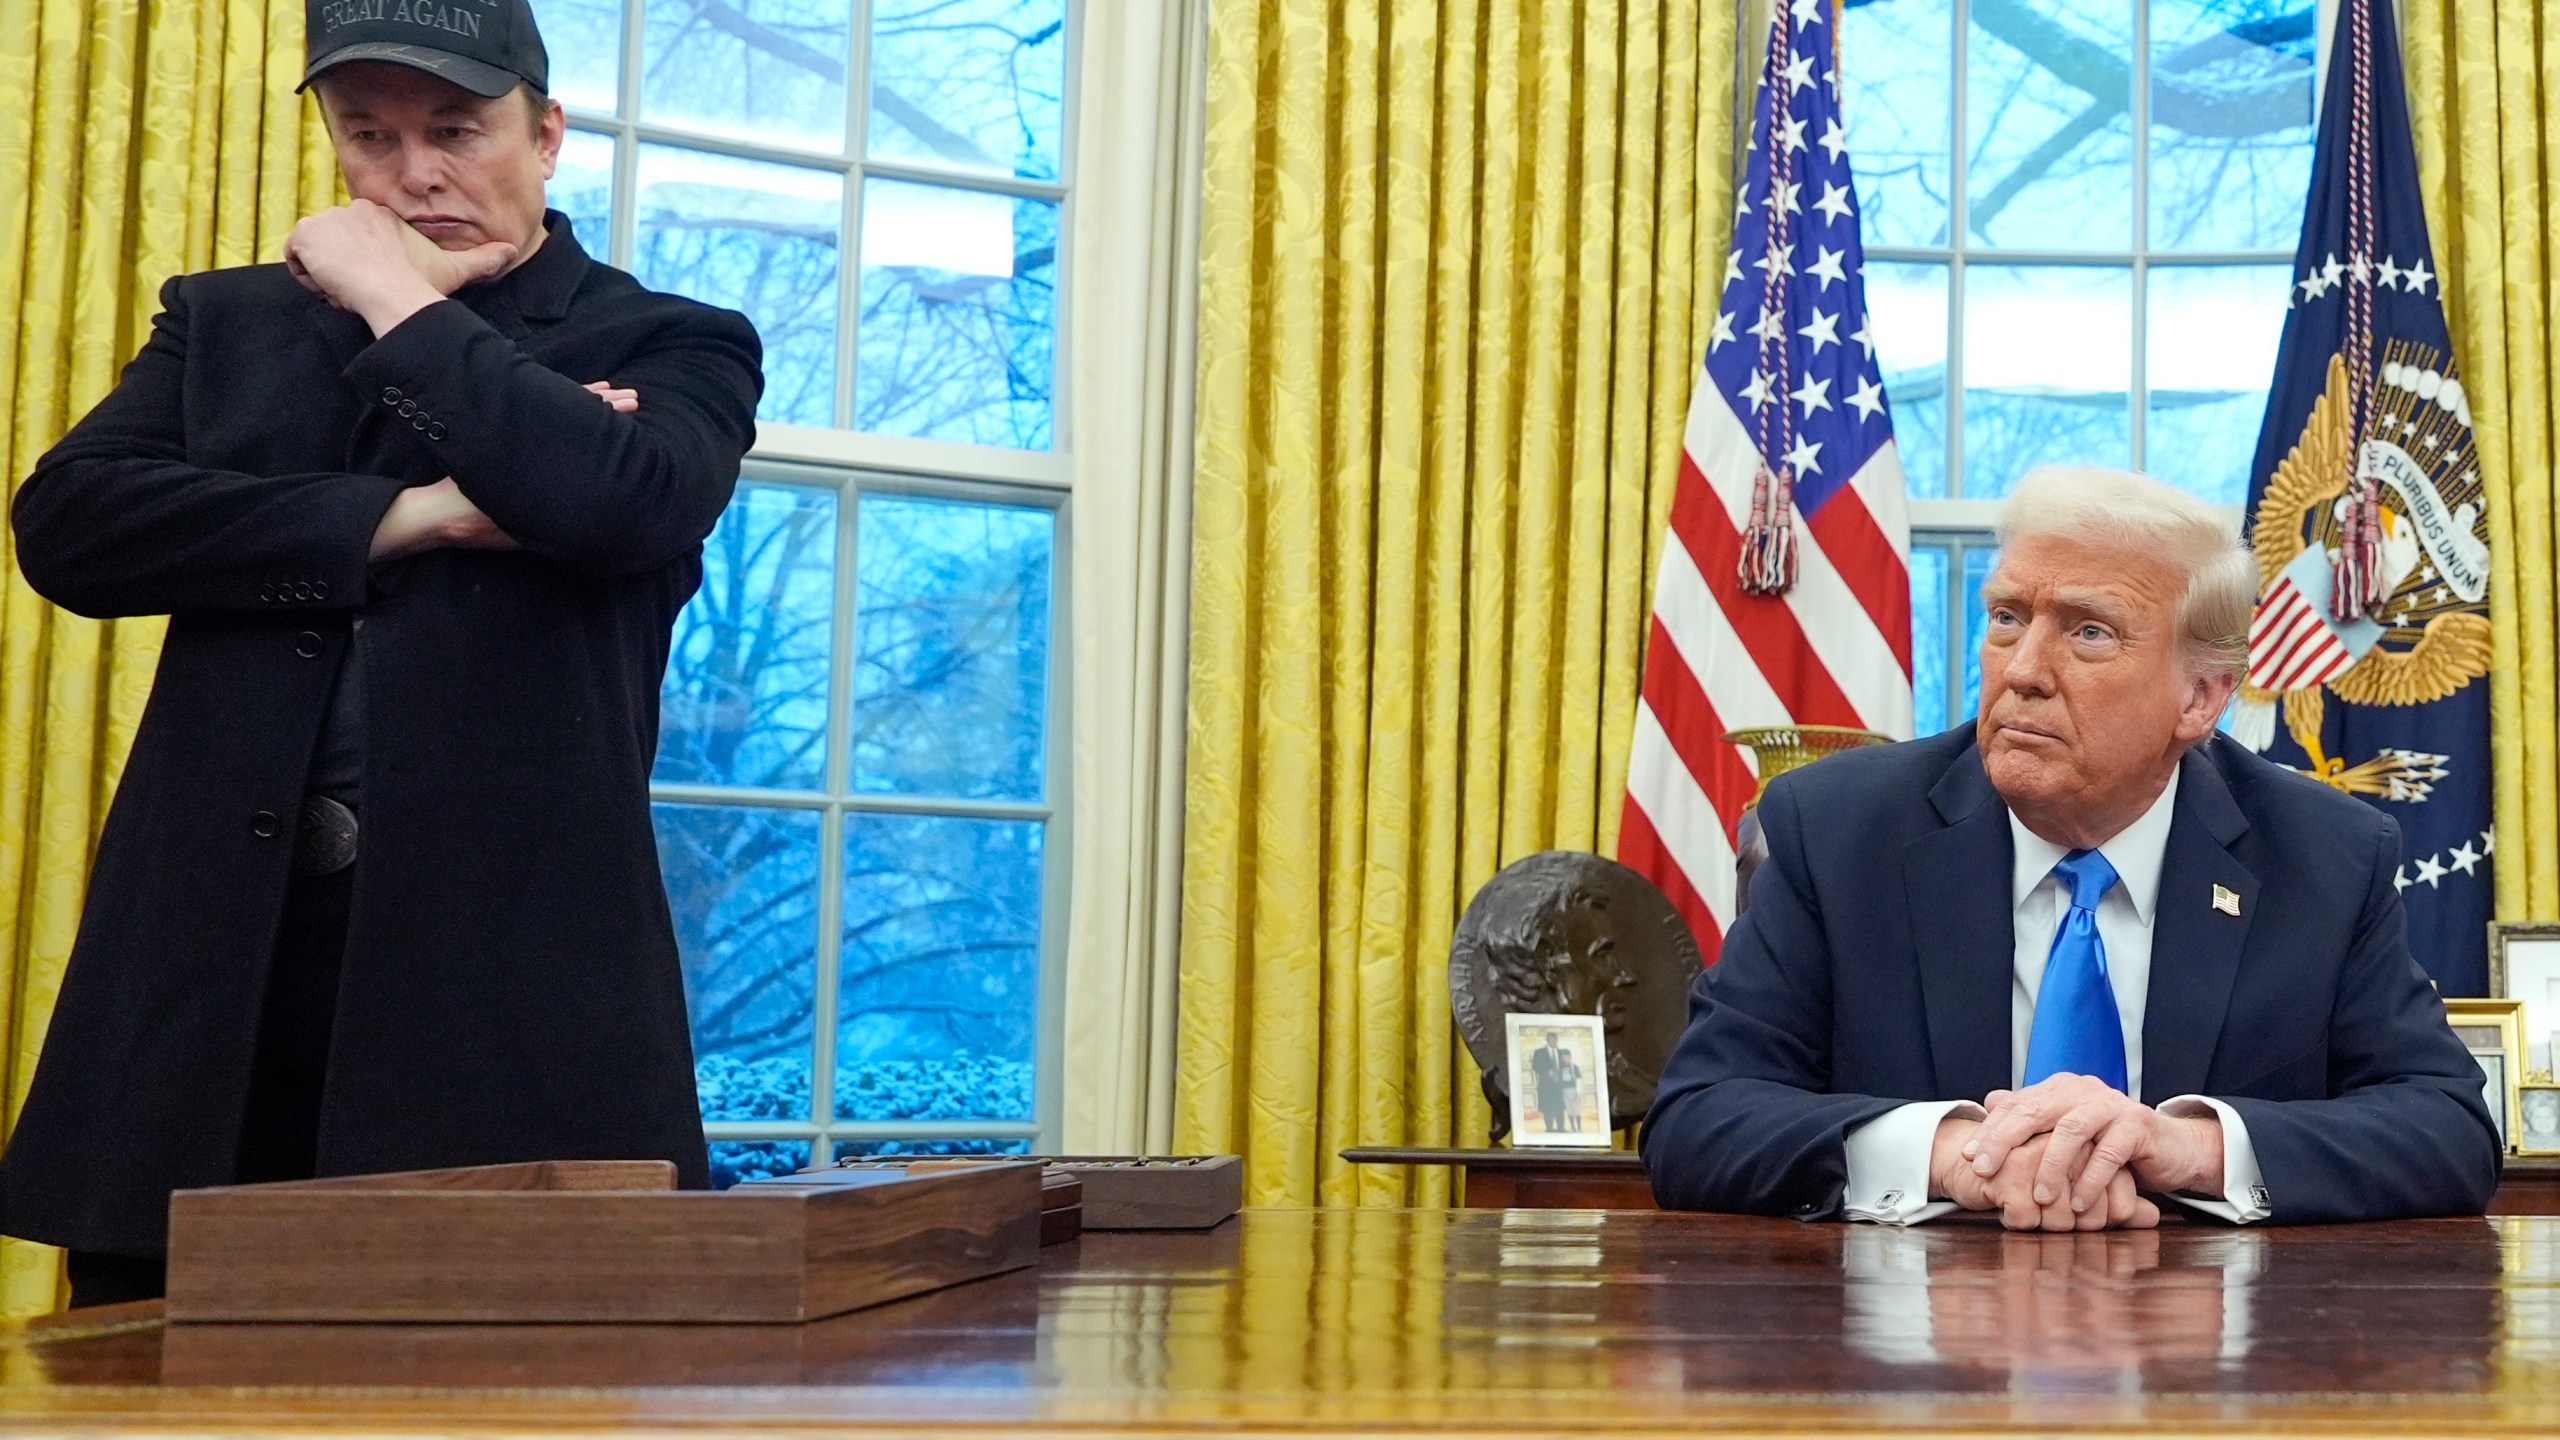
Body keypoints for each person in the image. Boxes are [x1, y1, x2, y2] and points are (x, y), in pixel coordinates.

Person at [0, 0, 762, 1307]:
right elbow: (72, 527)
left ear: (548, 133)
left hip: (504, 1000)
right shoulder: (226, 325)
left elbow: (619, 501)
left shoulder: (669, 343)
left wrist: (391, 292)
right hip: (211, 989)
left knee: (495, 1392)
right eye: (372, 136)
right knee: (143, 1383)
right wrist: (411, 518)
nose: (414, 174)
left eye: (457, 132)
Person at [1642, 466, 2500, 1229]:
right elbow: (1697, 1117)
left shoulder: (2325, 856)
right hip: (1907, 1370)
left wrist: (2186, 1146)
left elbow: (2448, 1129)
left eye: (2089, 632)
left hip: (2217, 1375)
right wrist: (1953, 1157)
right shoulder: (1837, 831)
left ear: (2200, 700)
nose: (2024, 668)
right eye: (2008, 618)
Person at [1531, 1031, 1569, 1134]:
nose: (1554, 1041)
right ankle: (1549, 1129)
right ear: (1547, 1040)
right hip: (1546, 1086)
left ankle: (1561, 1128)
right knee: (1548, 1108)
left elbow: (1567, 1067)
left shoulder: (1562, 1052)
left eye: (1555, 1039)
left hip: (1560, 1087)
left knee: (1559, 1108)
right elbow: (1535, 1066)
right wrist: (1547, 1072)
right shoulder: (1539, 1052)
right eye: (1551, 1040)